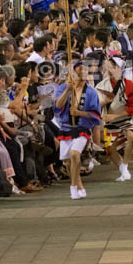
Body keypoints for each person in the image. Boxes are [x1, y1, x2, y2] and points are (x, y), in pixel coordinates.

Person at [55, 62, 101, 200]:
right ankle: (80, 185)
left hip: (82, 128)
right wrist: (67, 91)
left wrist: (80, 113)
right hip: (66, 127)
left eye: (86, 70)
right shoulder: (64, 87)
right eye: (80, 69)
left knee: (75, 154)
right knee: (68, 162)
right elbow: (57, 105)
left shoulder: (91, 92)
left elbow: (96, 114)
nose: (83, 72)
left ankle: (73, 187)